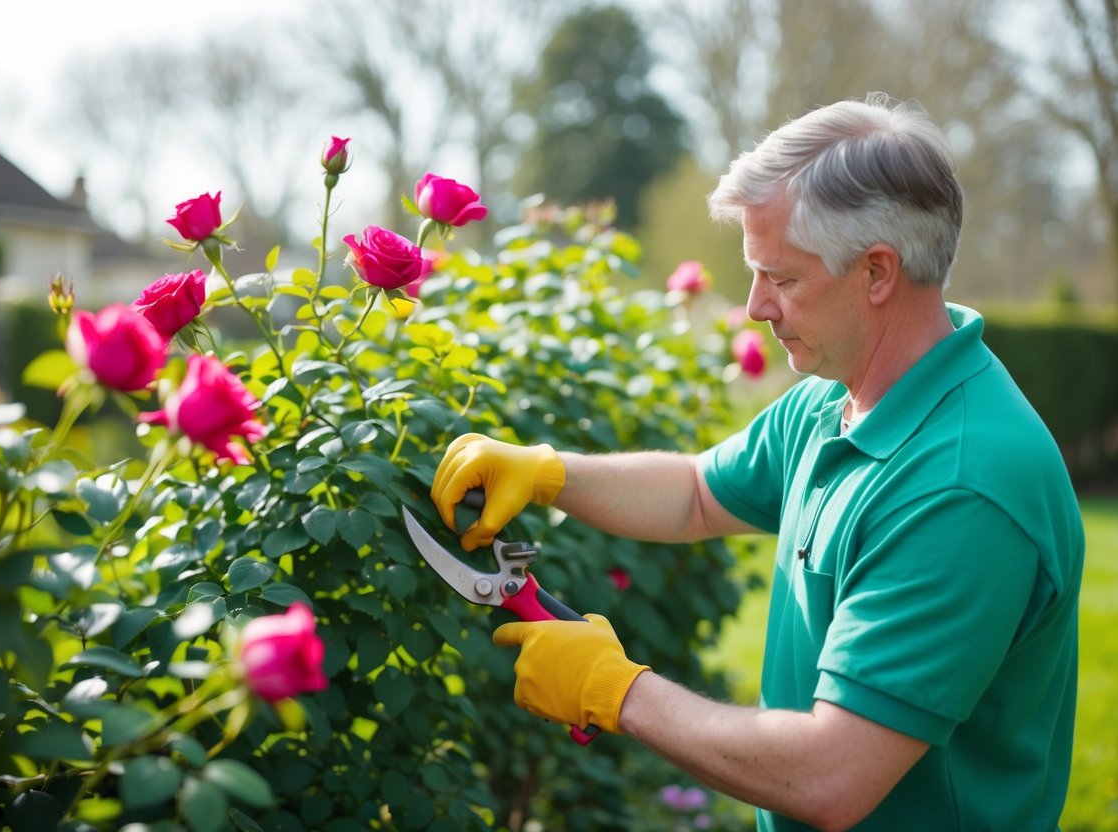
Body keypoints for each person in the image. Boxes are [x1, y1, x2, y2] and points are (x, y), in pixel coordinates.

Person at [429, 92, 1085, 831]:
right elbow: (695, 494)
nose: (753, 307)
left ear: (876, 273)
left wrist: (616, 690)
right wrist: (549, 472)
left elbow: (830, 775)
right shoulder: (839, 396)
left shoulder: (961, 487)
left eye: (782, 278)